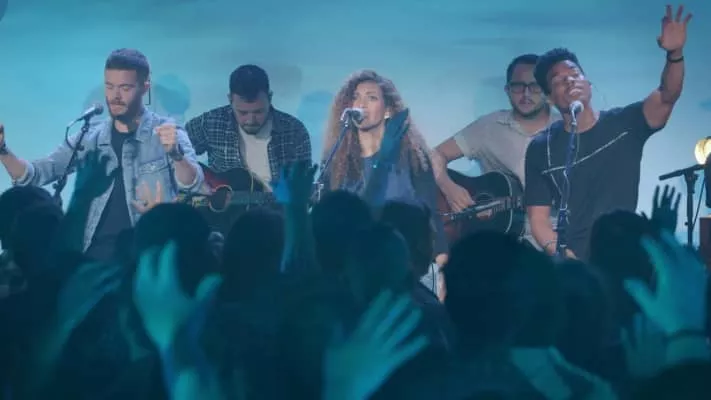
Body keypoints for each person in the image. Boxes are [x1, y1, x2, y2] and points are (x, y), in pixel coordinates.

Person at [0, 49, 203, 262]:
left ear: (145, 88)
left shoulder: (167, 132)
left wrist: (176, 155)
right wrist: (3, 152)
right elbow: (35, 175)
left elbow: (194, 183)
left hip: (144, 257)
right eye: (110, 86)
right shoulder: (89, 137)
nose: (115, 96)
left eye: (125, 88)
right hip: (90, 261)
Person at [524, 5, 691, 261]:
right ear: (549, 98)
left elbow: (667, 95)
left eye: (575, 73)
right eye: (558, 80)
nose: (569, 80)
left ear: (588, 83)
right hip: (576, 263)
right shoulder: (541, 147)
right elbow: (538, 220)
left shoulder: (625, 123)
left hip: (626, 258)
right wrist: (567, 259)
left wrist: (674, 54)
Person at [319, 69, 447, 265]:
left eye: (371, 98)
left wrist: (444, 268)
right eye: (355, 97)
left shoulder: (412, 157)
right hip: (353, 264)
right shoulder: (336, 161)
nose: (361, 104)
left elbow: (431, 217)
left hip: (405, 262)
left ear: (387, 110)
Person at [432, 54, 558, 211]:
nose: (526, 94)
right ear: (507, 90)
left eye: (535, 86)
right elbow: (434, 155)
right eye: (518, 86)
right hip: (500, 226)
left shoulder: (567, 128)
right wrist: (448, 188)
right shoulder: (488, 126)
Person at [185, 64, 312, 190]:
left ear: (270, 98)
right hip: (225, 203)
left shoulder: (294, 131)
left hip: (275, 202)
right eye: (243, 113)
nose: (251, 120)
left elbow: (303, 187)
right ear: (230, 100)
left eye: (258, 112)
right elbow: (177, 153)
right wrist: (201, 185)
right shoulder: (211, 122)